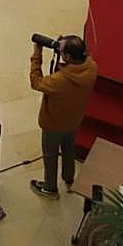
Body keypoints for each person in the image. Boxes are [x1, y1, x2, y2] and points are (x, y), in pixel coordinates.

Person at [28, 35, 96, 198]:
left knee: (50, 155)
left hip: (54, 123)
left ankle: (50, 188)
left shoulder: (60, 80)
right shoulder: (91, 67)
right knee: (68, 148)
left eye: (62, 49)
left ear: (68, 57)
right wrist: (64, 53)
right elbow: (70, 70)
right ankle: (69, 177)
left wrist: (37, 54)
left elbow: (36, 82)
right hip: (74, 119)